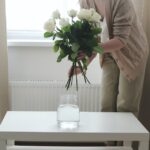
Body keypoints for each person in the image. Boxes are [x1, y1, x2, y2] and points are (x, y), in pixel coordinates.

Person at [73, 0, 149, 117]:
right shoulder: (85, 2)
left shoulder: (120, 1)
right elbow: (93, 39)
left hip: (131, 55)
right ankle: (109, 136)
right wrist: (84, 64)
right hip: (108, 52)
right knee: (106, 105)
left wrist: (92, 49)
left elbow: (121, 40)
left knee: (126, 108)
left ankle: (124, 136)